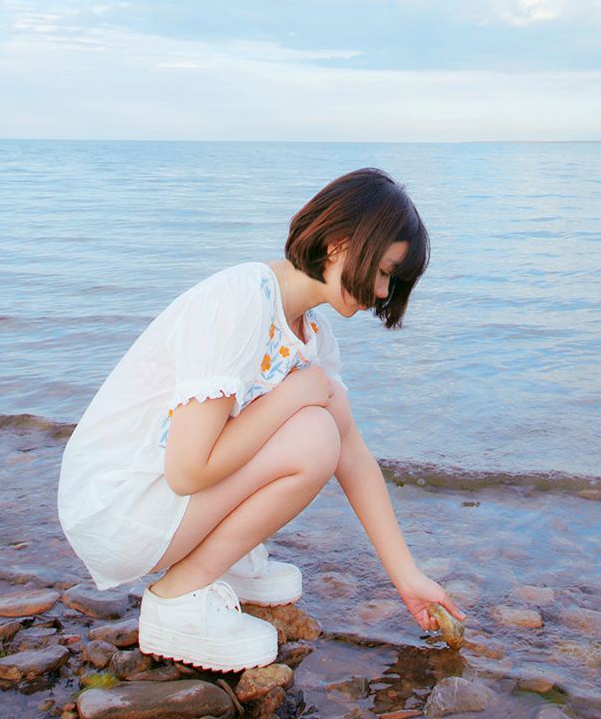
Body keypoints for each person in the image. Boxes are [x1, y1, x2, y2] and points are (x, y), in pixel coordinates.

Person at [55, 168, 465, 671]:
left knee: (322, 428)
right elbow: (187, 470)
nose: (382, 292)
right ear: (338, 244)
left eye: (391, 280)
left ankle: (225, 560)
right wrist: (292, 394)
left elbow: (354, 455)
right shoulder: (242, 299)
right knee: (312, 434)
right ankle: (179, 599)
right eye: (383, 270)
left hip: (155, 501)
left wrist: (406, 575)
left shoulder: (312, 337)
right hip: (118, 506)